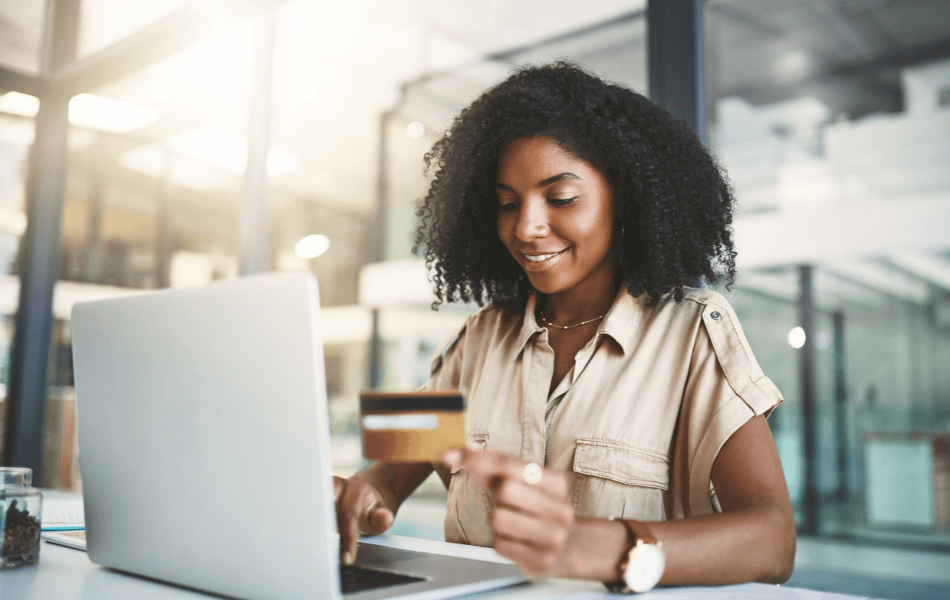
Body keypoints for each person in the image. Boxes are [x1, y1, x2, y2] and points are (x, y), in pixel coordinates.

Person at [334, 62, 796, 590]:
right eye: (508, 203)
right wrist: (367, 490)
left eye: (561, 199)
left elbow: (774, 538)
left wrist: (611, 547)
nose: (526, 227)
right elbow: (391, 462)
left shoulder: (694, 330)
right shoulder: (479, 336)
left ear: (623, 199)